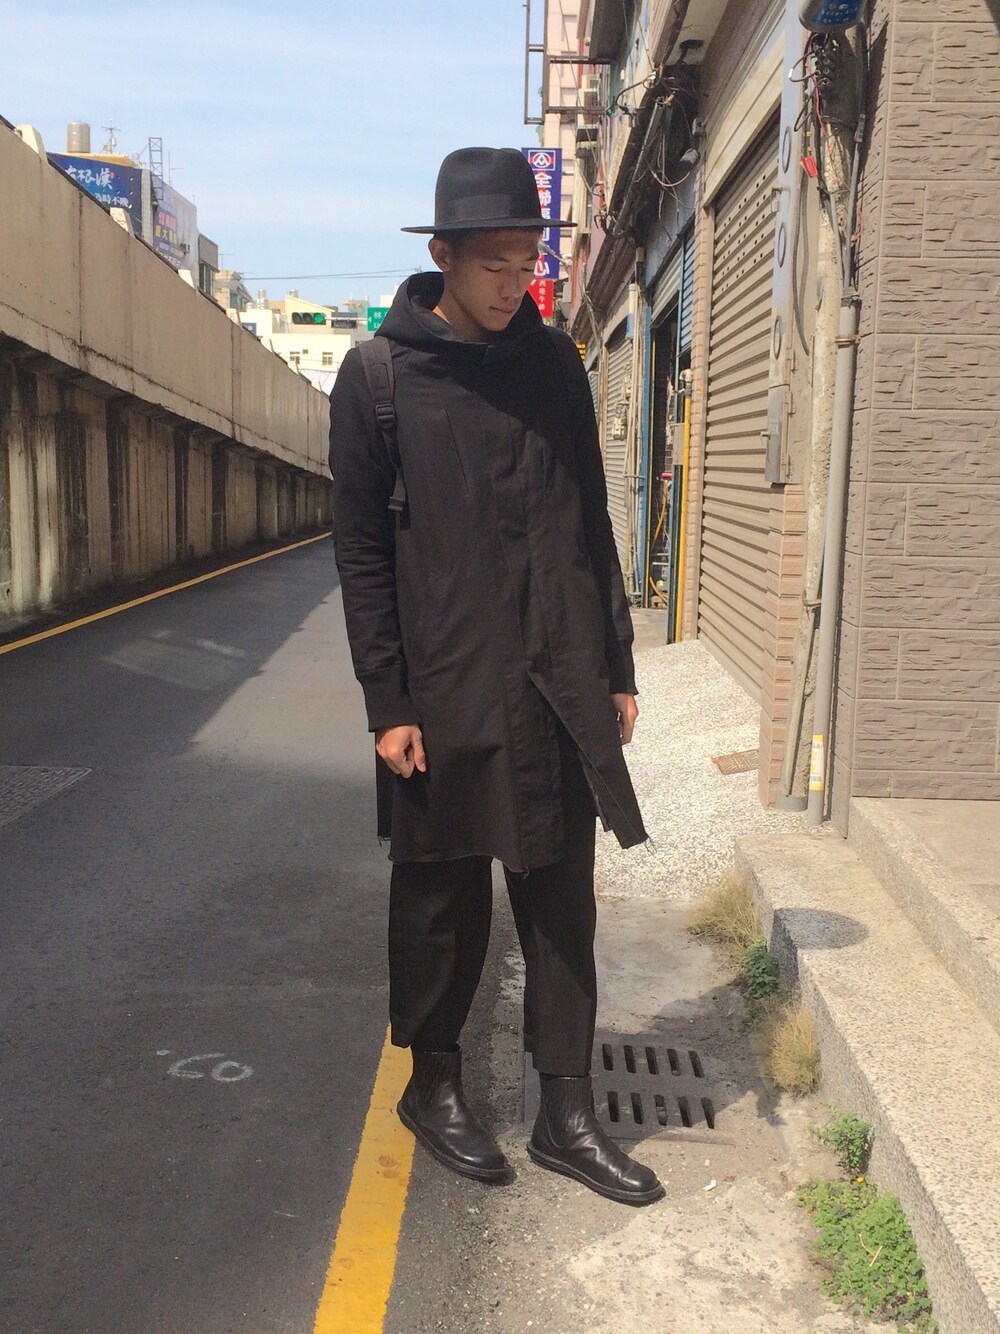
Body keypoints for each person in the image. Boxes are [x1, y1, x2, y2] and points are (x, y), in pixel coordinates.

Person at [328, 147, 663, 1207]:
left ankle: (567, 1112)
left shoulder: (554, 365)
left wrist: (615, 662)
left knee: (561, 896)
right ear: (443, 256)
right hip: (446, 679)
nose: (514, 282)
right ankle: (433, 1086)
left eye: (527, 261)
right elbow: (360, 552)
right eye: (493, 264)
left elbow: (590, 520)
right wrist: (387, 700)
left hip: (557, 671)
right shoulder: (380, 379)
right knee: (440, 892)